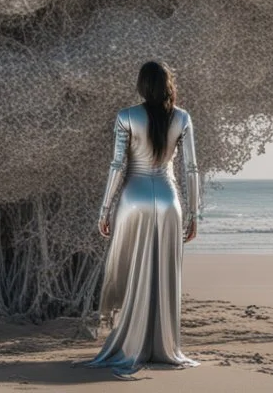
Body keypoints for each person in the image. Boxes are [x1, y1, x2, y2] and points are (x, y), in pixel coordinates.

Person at [82, 60, 201, 379]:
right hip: (168, 199)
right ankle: (163, 346)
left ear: (141, 86)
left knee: (133, 270)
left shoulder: (126, 117)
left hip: (133, 200)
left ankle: (129, 344)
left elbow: (117, 166)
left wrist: (104, 209)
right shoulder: (183, 118)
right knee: (165, 273)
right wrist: (194, 213)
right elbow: (191, 169)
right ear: (168, 85)